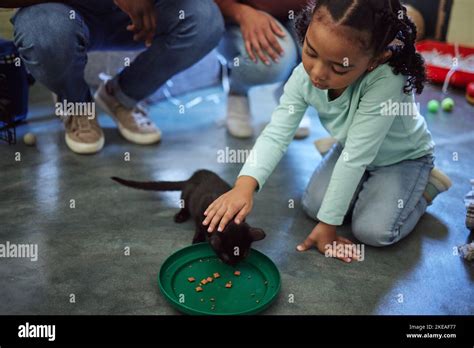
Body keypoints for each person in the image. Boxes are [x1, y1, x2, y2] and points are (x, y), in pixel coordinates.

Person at [202, 0, 452, 262]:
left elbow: (356, 155)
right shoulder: (305, 75)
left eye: (339, 67)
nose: (317, 74)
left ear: (376, 58)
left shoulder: (388, 78)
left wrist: (328, 228)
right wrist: (245, 185)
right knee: (313, 206)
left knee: (373, 232)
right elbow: (277, 133)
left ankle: (427, 187)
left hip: (400, 158)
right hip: (350, 148)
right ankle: (358, 175)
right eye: (310, 51)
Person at [7, 0, 224, 154]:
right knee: (44, 33)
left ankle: (121, 96)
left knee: (204, 19)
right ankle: (76, 104)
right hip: (62, 13)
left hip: (138, 14)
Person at [215, 0, 311, 139]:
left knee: (325, 49)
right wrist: (240, 12)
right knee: (271, 60)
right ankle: (237, 93)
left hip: (301, 11)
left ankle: (291, 94)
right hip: (242, 14)